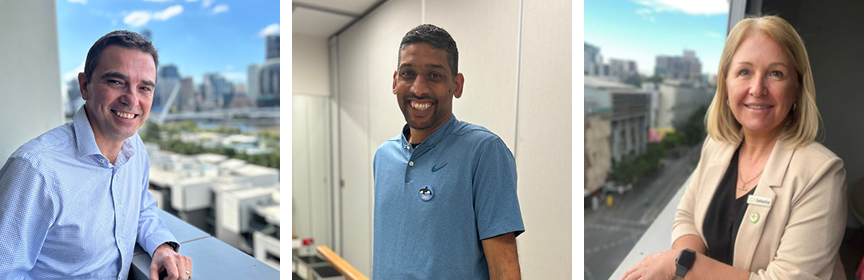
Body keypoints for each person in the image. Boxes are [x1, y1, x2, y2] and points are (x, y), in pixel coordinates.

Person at [621, 16, 846, 280]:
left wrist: (680, 266)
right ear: (726, 84)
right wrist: (685, 263)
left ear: (796, 88)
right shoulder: (717, 145)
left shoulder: (821, 174)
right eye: (744, 72)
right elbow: (687, 216)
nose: (757, 88)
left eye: (776, 73)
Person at [0, 30, 193, 280]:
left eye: (144, 87)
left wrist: (161, 247)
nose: (131, 99)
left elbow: (142, 208)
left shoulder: (135, 149)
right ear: (84, 86)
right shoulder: (35, 170)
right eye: (116, 81)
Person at [372, 24, 525, 279]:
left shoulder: (484, 152)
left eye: (434, 75)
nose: (418, 88)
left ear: (457, 84)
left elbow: (503, 270)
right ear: (395, 81)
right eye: (408, 74)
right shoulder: (383, 157)